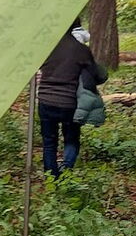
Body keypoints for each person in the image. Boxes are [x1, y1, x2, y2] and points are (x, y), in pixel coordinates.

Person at [38, 20, 107, 176]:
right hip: (69, 103)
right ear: (75, 27)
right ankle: (66, 172)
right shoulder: (81, 50)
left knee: (49, 143)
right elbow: (97, 75)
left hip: (45, 100)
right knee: (71, 139)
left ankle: (51, 179)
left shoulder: (47, 47)